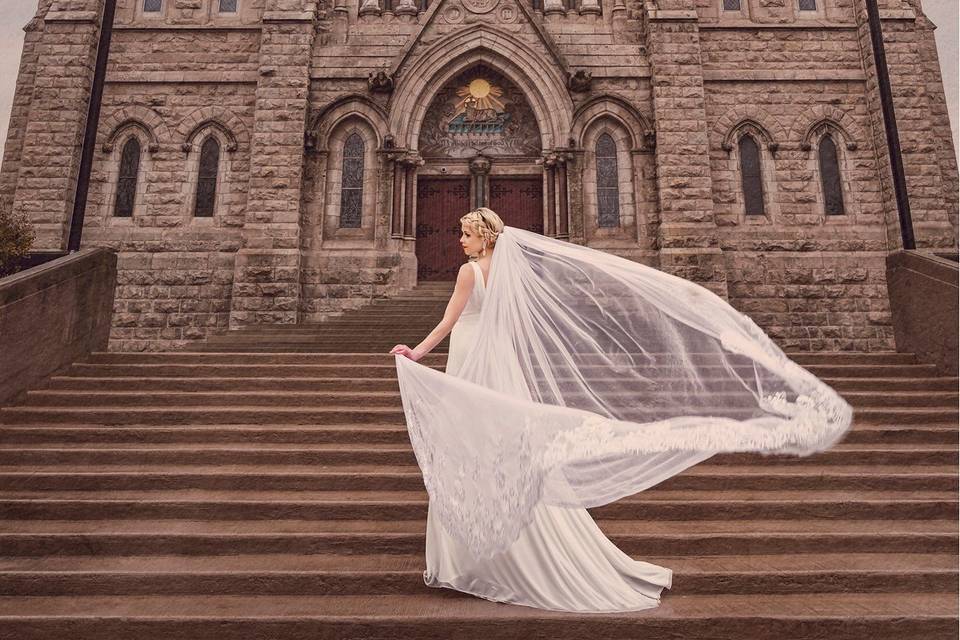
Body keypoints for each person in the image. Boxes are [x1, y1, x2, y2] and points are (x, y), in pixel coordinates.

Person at [389, 207, 852, 612]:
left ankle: (478, 556)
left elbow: (449, 322)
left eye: (465, 232)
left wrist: (416, 354)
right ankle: (507, 544)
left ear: (483, 236)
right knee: (505, 446)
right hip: (500, 359)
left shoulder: (470, 272)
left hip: (472, 357)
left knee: (474, 447)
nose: (460, 239)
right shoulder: (507, 271)